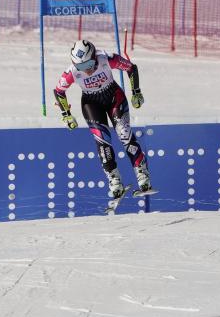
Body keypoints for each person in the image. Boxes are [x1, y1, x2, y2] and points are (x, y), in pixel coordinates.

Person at [54, 40, 151, 200]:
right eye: (81, 67)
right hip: (91, 103)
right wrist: (66, 114)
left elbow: (131, 68)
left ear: (95, 57)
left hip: (113, 96)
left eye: (90, 64)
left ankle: (142, 174)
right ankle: (114, 181)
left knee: (124, 134)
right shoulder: (71, 72)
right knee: (103, 142)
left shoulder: (106, 58)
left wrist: (136, 92)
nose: (87, 70)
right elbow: (58, 91)